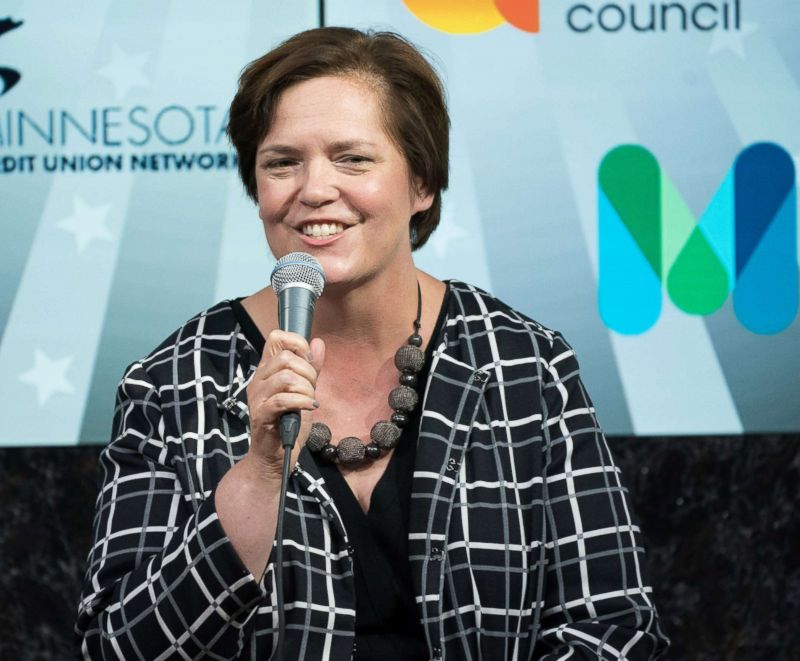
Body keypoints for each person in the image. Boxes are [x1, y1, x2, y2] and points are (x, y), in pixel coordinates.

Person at [75, 27, 668, 660]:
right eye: (282, 163)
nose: (314, 189)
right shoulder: (170, 384)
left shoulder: (524, 364)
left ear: (422, 184)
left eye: (352, 158)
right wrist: (255, 482)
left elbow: (615, 629)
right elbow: (115, 649)